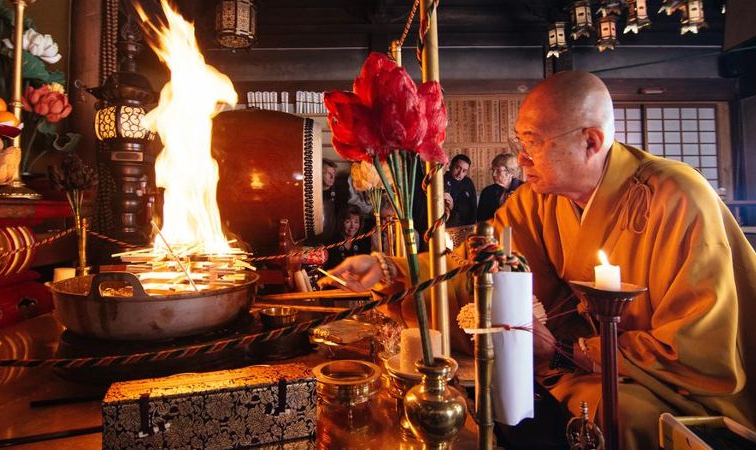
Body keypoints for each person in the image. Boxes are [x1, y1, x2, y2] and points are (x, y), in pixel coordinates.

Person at [321, 71, 756, 449]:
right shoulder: (536, 202)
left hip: (669, 390)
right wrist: (393, 270)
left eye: (533, 143)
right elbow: (475, 270)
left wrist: (569, 350)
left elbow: (695, 357)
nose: (521, 160)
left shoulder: (676, 198)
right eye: (520, 142)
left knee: (619, 415)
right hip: (572, 367)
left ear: (591, 141)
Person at [476, 152, 523, 221]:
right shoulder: (487, 192)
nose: (494, 174)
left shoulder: (524, 190)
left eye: (498, 171)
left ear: (511, 173)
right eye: (493, 170)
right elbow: (481, 220)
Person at [323, 205, 370, 270]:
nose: (352, 226)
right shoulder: (332, 243)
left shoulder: (362, 242)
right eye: (348, 222)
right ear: (341, 222)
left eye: (356, 222)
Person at [444, 154, 477, 227]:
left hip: (466, 227)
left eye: (464, 171)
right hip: (447, 226)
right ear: (451, 166)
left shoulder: (468, 183)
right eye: (457, 168)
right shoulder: (442, 179)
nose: (460, 173)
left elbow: (473, 208)